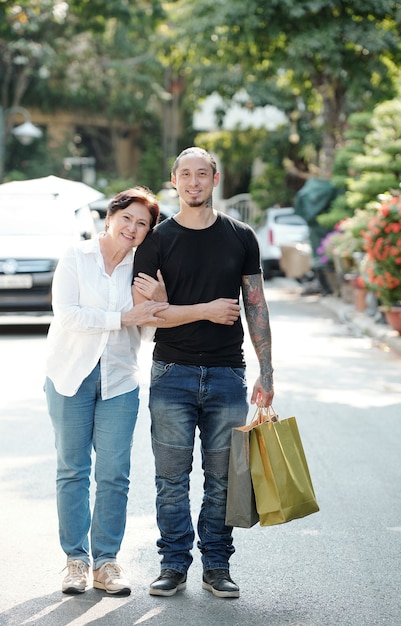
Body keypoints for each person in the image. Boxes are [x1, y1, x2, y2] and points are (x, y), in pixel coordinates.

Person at [132, 147, 274, 599]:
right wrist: (205, 311)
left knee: (223, 477)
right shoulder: (155, 240)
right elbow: (145, 313)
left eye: (202, 174)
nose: (194, 182)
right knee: (170, 478)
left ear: (215, 178)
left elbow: (255, 305)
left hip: (228, 374)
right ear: (174, 180)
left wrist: (266, 371)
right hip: (170, 372)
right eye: (185, 174)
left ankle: (217, 564)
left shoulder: (241, 236)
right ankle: (173, 564)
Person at [45, 187, 170, 596]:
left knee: (115, 475)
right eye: (127, 218)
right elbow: (68, 315)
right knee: (73, 470)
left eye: (142, 224)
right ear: (110, 217)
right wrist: (124, 316)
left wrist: (160, 300)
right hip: (71, 376)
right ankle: (75, 562)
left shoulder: (144, 268)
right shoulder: (75, 257)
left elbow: (149, 328)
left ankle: (107, 562)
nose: (132, 229)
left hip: (119, 380)